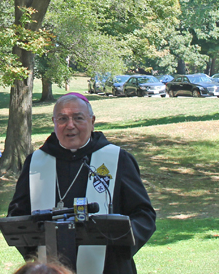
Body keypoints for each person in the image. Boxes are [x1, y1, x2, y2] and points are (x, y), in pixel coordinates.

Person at [8, 93, 156, 274]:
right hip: (51, 267)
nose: (70, 125)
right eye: (62, 119)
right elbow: (17, 215)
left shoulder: (117, 159)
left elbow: (144, 215)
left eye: (78, 118)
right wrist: (38, 255)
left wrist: (118, 247)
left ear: (92, 121)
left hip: (109, 266)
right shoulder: (36, 162)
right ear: (54, 122)